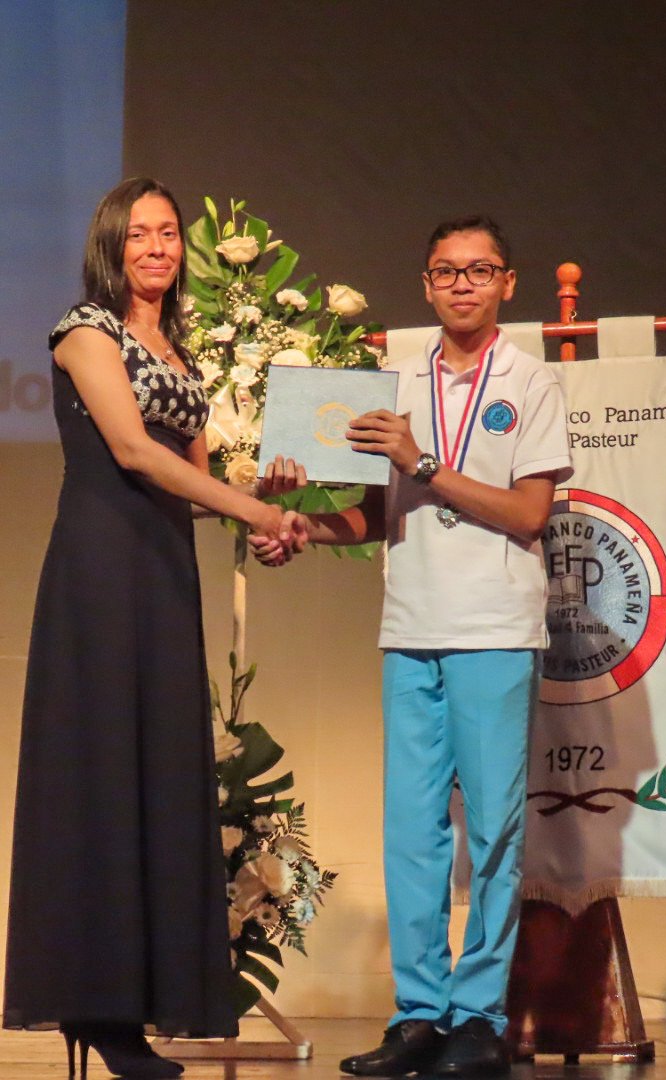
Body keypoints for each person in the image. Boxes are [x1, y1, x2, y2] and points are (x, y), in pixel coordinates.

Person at [253, 216, 572, 1077]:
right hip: (410, 629)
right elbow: (372, 514)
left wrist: (423, 463)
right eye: (446, 271)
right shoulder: (391, 380)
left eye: (480, 270)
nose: (463, 284)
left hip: (494, 629)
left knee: (493, 832)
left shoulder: (531, 382)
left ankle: (480, 1019)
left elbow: (529, 513)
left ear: (508, 283)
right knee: (413, 834)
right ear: (426, 284)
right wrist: (295, 527)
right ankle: (420, 1015)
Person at [2, 177, 299, 1079]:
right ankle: (93, 1006)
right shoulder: (84, 331)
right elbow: (133, 451)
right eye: (140, 234)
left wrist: (269, 510)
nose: (158, 247)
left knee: (158, 776)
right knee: (99, 776)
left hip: (165, 578)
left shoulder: (180, 350)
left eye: (169, 233)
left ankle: (133, 1006)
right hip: (99, 571)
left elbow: (196, 486)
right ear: (111, 244)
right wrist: (249, 507)